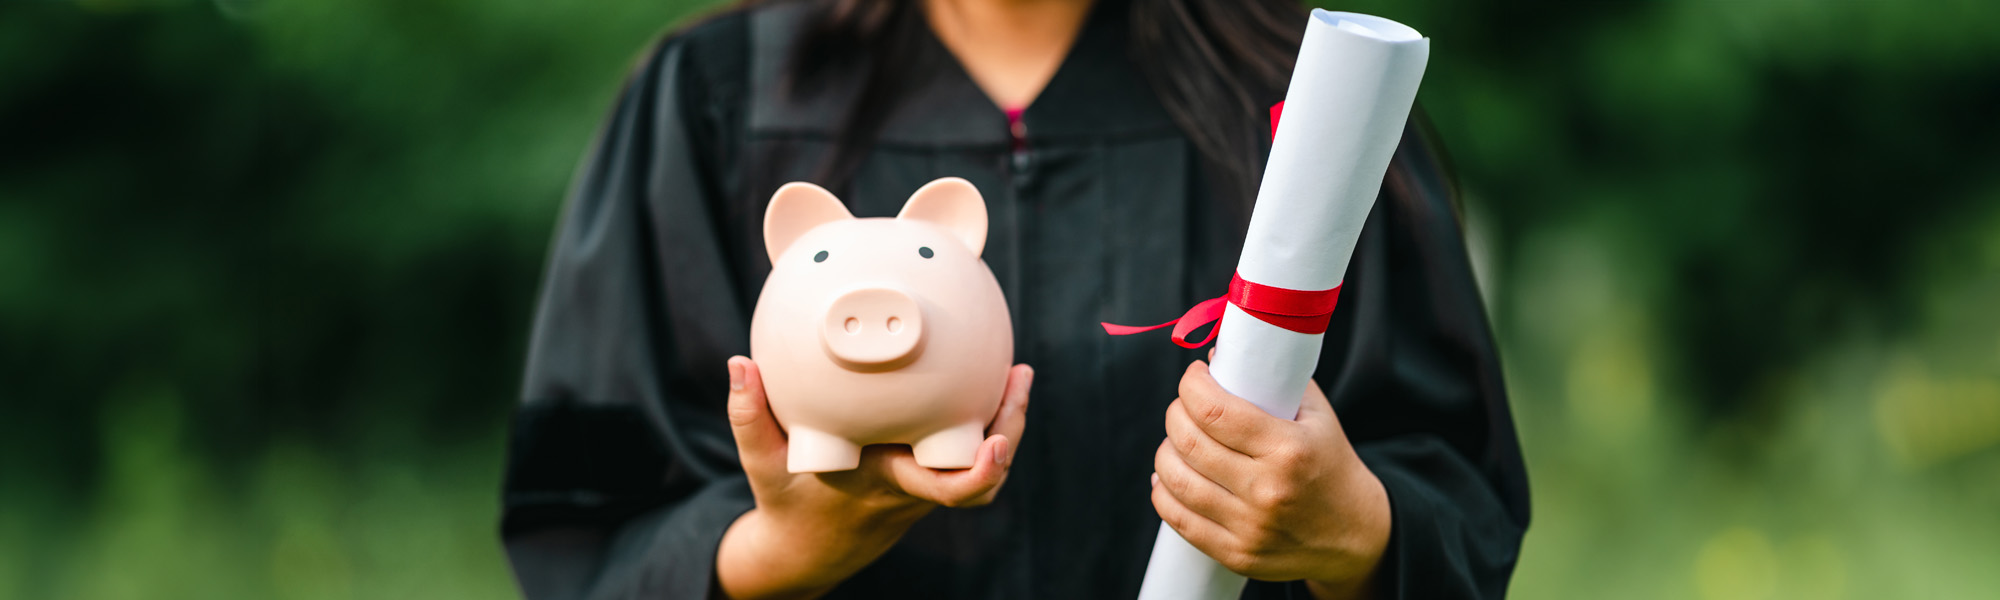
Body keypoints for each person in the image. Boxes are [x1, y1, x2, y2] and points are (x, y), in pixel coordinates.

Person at [499, 0, 1529, 597]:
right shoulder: (718, 98)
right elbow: (586, 522)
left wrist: (1354, 532)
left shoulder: (1302, 114)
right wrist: (770, 552)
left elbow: (1458, 499)